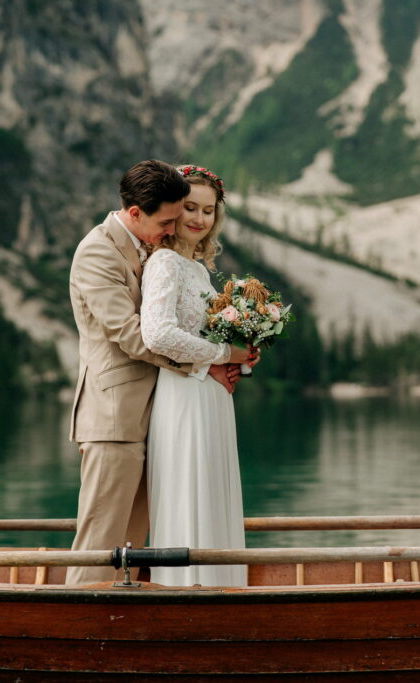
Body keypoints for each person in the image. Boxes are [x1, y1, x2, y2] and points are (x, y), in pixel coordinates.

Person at [65, 160, 247, 585]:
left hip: (162, 415)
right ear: (135, 213)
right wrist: (212, 360)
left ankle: (126, 615)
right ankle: (79, 614)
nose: (172, 228)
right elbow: (131, 335)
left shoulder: (151, 248)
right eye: (167, 221)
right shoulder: (97, 251)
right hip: (115, 415)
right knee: (101, 539)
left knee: (135, 544)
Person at [140, 164, 256, 586]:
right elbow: (157, 335)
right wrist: (224, 353)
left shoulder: (199, 269)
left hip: (211, 396)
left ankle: (221, 586)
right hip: (184, 396)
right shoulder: (165, 262)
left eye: (208, 211)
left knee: (211, 490)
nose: (199, 219)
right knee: (190, 488)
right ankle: (186, 589)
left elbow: (203, 335)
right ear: (173, 209)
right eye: (190, 208)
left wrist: (242, 357)